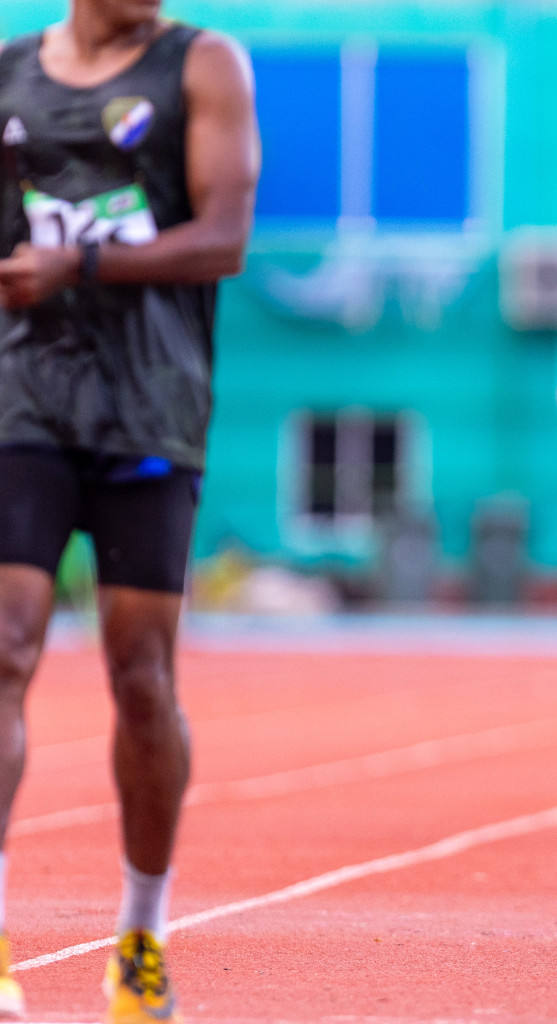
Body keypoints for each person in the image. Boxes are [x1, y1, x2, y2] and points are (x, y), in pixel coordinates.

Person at [0, 0, 258, 1019]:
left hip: (150, 409)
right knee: (7, 646)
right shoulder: (12, 73)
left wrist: (83, 263)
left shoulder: (202, 65)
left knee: (140, 678)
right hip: (24, 401)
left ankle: (141, 932)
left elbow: (225, 238)